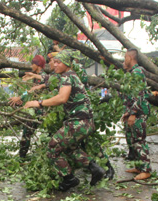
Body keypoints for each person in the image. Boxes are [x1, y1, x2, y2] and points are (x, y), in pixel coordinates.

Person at [23, 50, 113, 191]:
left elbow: (61, 98)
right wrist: (38, 82)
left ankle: (69, 179)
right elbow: (50, 82)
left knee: (52, 147)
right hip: (84, 122)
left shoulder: (66, 76)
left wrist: (38, 103)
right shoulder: (69, 76)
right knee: (71, 149)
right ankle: (95, 168)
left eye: (59, 62)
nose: (55, 65)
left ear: (67, 64)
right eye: (55, 62)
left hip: (79, 122)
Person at [8, 55, 48, 158]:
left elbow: (33, 91)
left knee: (27, 132)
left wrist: (20, 97)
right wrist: (22, 100)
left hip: (41, 110)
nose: (31, 66)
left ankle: (22, 157)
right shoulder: (37, 76)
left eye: (32, 64)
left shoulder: (42, 77)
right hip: (38, 108)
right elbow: (33, 94)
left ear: (38, 65)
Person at [121, 49, 151, 180]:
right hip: (134, 111)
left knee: (139, 140)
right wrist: (128, 113)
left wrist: (133, 113)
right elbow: (132, 97)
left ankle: (146, 169)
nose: (124, 60)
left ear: (130, 57)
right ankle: (139, 167)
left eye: (125, 57)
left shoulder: (137, 72)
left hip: (138, 113)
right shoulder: (133, 73)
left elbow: (139, 96)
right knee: (133, 140)